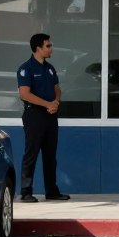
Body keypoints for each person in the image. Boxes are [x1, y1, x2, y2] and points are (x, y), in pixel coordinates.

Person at [17, 33, 69, 202]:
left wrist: (55, 102)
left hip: (50, 115)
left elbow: (57, 88)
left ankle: (52, 190)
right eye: (48, 46)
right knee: (31, 153)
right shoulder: (27, 68)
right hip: (35, 114)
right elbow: (24, 94)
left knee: (50, 154)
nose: (51, 48)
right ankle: (26, 191)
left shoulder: (50, 68)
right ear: (38, 48)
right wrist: (47, 104)